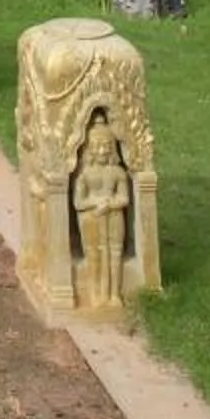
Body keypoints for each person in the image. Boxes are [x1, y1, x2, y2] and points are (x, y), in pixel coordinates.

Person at [72, 115, 133, 310]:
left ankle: (114, 294)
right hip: (90, 217)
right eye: (97, 146)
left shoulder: (117, 172)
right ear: (89, 148)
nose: (102, 150)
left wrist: (111, 203)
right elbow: (78, 203)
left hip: (113, 216)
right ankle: (96, 293)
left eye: (107, 145)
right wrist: (95, 202)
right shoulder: (85, 174)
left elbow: (124, 198)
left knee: (115, 254)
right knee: (94, 255)